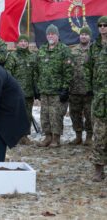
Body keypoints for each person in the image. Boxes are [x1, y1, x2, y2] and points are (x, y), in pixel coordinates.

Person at [35, 24, 73, 148]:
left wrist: (65, 88)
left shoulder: (64, 50)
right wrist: (37, 86)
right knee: (44, 115)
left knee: (55, 115)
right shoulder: (42, 50)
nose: (50, 36)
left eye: (53, 34)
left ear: (57, 35)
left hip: (58, 91)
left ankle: (56, 139)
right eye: (49, 34)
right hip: (44, 90)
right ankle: (47, 136)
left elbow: (68, 71)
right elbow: (36, 69)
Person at [84, 16, 107, 182]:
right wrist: (91, 88)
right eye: (100, 25)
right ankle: (99, 170)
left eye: (106, 25)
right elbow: (88, 69)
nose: (103, 28)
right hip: (99, 98)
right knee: (99, 135)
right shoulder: (94, 48)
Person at [5, 34, 37, 145]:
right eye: (21, 41)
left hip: (29, 92)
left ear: (28, 43)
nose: (23, 43)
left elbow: (36, 74)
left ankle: (25, 136)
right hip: (16, 92)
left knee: (27, 114)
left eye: (25, 41)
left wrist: (36, 89)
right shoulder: (12, 56)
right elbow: (7, 73)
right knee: (15, 114)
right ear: (17, 43)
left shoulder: (33, 56)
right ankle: (15, 135)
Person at [69, 27, 93, 146]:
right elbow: (68, 69)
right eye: (82, 34)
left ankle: (89, 136)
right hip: (74, 89)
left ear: (89, 36)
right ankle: (78, 136)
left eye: (86, 34)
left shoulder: (93, 50)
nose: (83, 36)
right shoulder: (73, 51)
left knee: (89, 114)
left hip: (89, 90)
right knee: (75, 114)